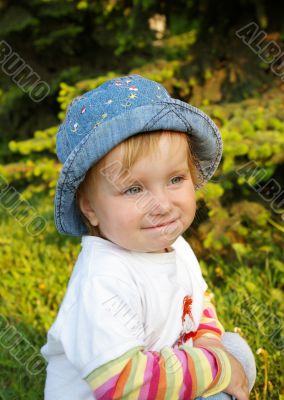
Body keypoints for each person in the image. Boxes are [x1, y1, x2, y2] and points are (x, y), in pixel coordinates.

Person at [41, 75, 256, 400]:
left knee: (235, 349)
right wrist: (217, 369)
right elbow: (124, 382)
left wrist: (210, 345)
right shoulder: (102, 281)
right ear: (90, 208)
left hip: (164, 369)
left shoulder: (174, 246)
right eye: (133, 189)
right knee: (226, 376)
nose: (162, 205)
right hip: (121, 390)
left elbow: (196, 301)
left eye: (175, 179)